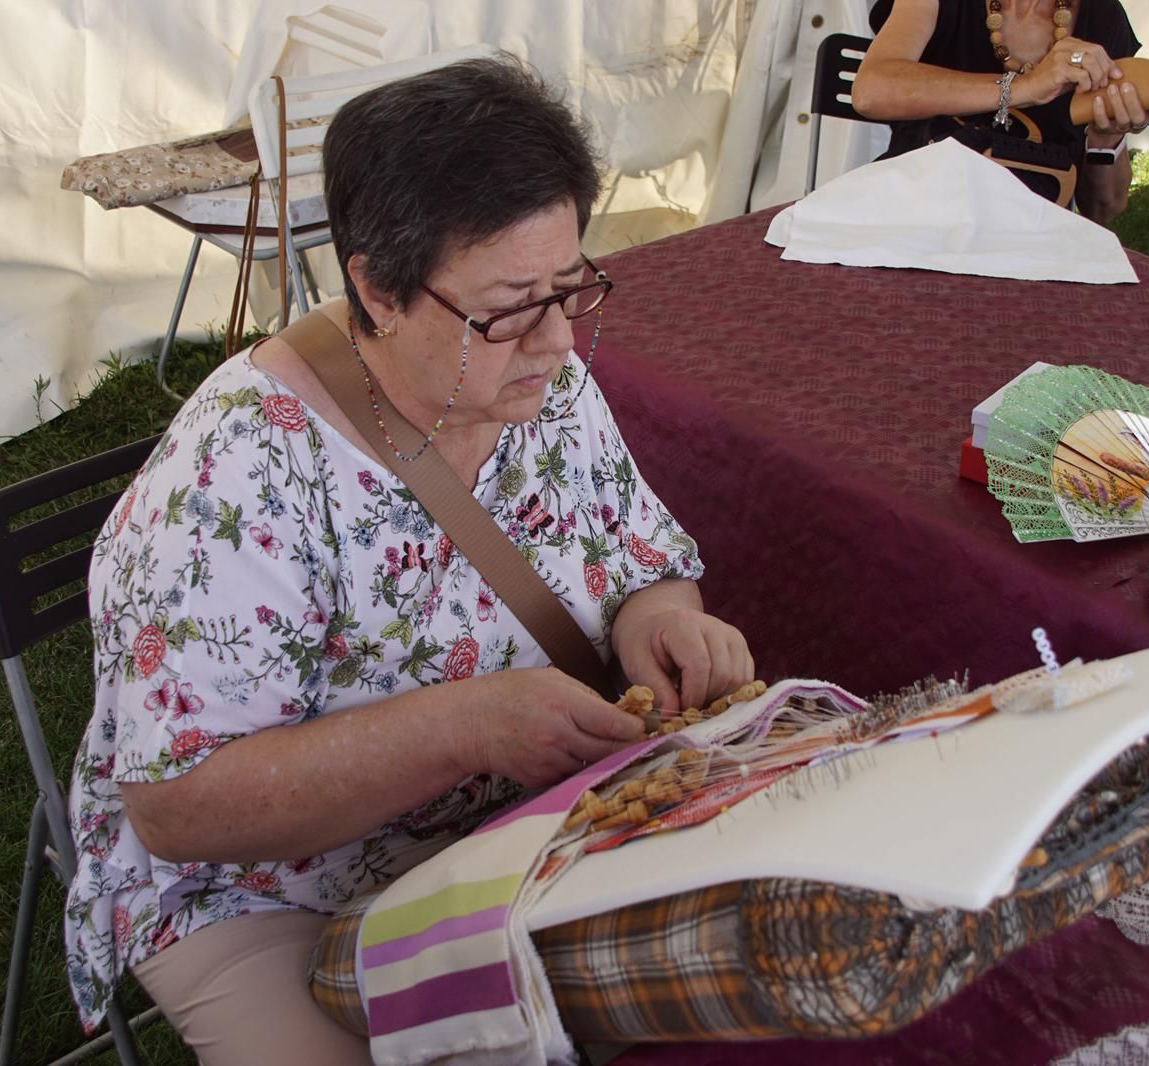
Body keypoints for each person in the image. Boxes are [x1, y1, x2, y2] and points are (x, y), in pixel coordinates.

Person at [65, 56, 755, 1065]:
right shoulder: (241, 470)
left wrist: (663, 621)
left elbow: (638, 554)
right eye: (510, 306)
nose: (558, 341)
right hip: (273, 887)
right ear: (378, 290)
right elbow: (178, 807)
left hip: (520, 822)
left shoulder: (539, 380)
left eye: (570, 288)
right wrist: (468, 727)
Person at [851, 0, 1149, 225]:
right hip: (914, 214)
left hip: (1033, 233)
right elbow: (871, 90)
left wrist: (1106, 139)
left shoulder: (1102, 16)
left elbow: (1103, 208)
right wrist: (1024, 88)